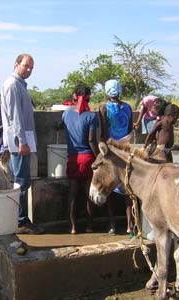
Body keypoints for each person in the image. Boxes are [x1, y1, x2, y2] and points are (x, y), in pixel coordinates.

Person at [0, 54, 42, 234]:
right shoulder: (12, 85)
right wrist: (22, 142)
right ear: (16, 64)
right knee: (21, 181)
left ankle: (19, 218)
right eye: (26, 66)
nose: (29, 70)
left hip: (23, 140)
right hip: (18, 141)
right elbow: (15, 117)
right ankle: (20, 220)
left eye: (31, 67)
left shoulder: (19, 85)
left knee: (21, 180)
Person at [55, 83, 99, 234]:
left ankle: (73, 227)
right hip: (87, 158)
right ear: (89, 97)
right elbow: (92, 140)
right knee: (89, 194)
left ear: (74, 96)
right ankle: (89, 225)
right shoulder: (91, 116)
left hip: (73, 158)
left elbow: (60, 125)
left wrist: (58, 126)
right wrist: (99, 157)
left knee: (72, 193)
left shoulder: (66, 113)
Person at [99, 79, 133, 237]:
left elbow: (104, 132)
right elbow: (130, 131)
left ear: (107, 92)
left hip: (112, 152)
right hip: (124, 151)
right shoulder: (127, 107)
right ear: (119, 91)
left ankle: (112, 224)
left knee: (110, 189)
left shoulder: (104, 107)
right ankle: (130, 226)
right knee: (127, 189)